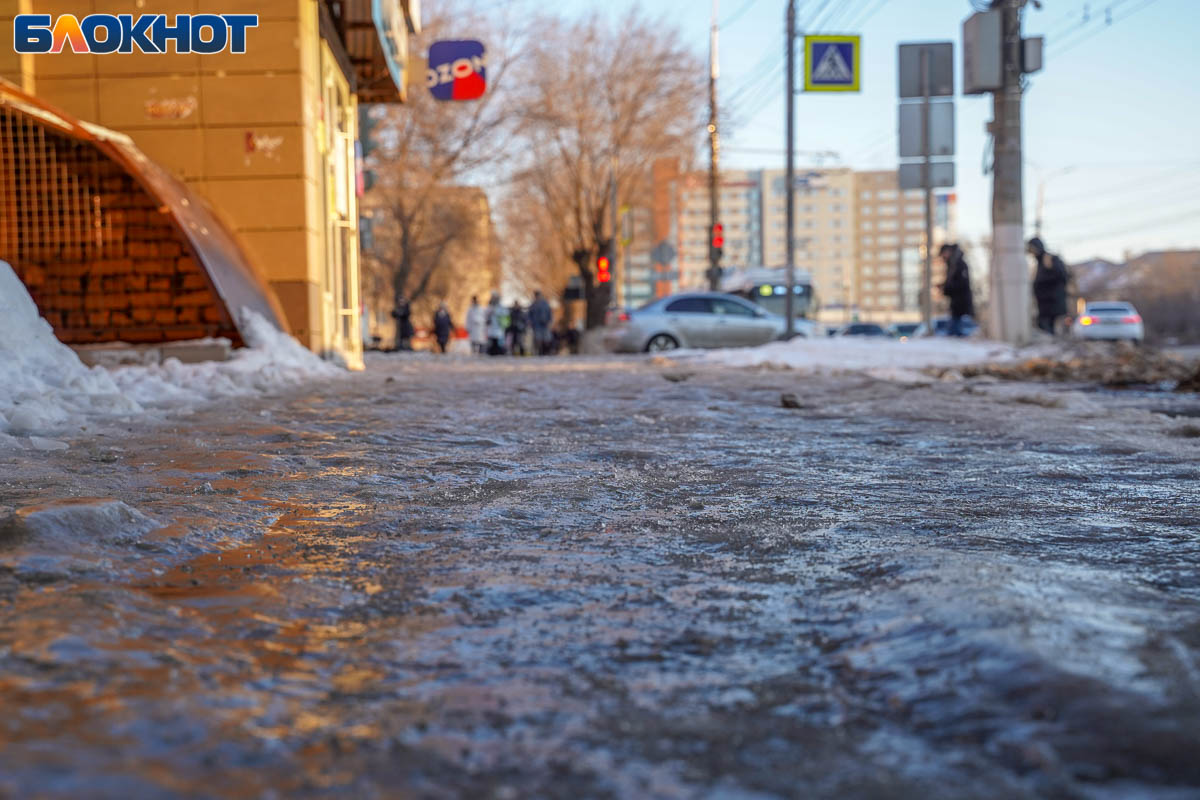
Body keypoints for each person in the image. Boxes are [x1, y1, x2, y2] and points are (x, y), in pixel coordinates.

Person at [1029, 237, 1070, 335]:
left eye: (1032, 248)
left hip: (1053, 304)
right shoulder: (1039, 263)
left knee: (1049, 328)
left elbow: (1062, 276)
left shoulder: (1049, 259)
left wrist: (1043, 285)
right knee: (1043, 326)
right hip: (1044, 304)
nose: (1031, 252)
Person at [939, 243, 974, 337]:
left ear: (948, 252)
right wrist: (944, 286)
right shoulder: (952, 265)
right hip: (956, 303)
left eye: (943, 254)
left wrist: (947, 288)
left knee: (957, 333)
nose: (943, 257)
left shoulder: (959, 265)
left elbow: (962, 283)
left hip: (961, 302)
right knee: (954, 332)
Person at [528, 290, 553, 356]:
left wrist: (550, 321)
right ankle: (539, 352)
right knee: (538, 339)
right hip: (536, 325)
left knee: (546, 339)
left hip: (545, 324)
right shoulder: (533, 305)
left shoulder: (545, 304)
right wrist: (529, 322)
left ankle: (546, 351)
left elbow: (550, 313)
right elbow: (529, 315)